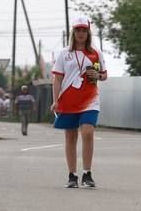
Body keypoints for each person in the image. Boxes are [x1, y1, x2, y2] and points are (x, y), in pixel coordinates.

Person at [51, 15, 107, 188]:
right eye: (78, 30)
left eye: (84, 30)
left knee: (88, 132)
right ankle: (72, 175)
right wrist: (55, 101)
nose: (81, 33)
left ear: (88, 33)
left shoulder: (95, 53)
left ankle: (87, 174)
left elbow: (104, 75)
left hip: (90, 99)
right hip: (68, 100)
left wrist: (97, 75)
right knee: (70, 136)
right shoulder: (64, 53)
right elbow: (57, 79)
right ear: (73, 32)